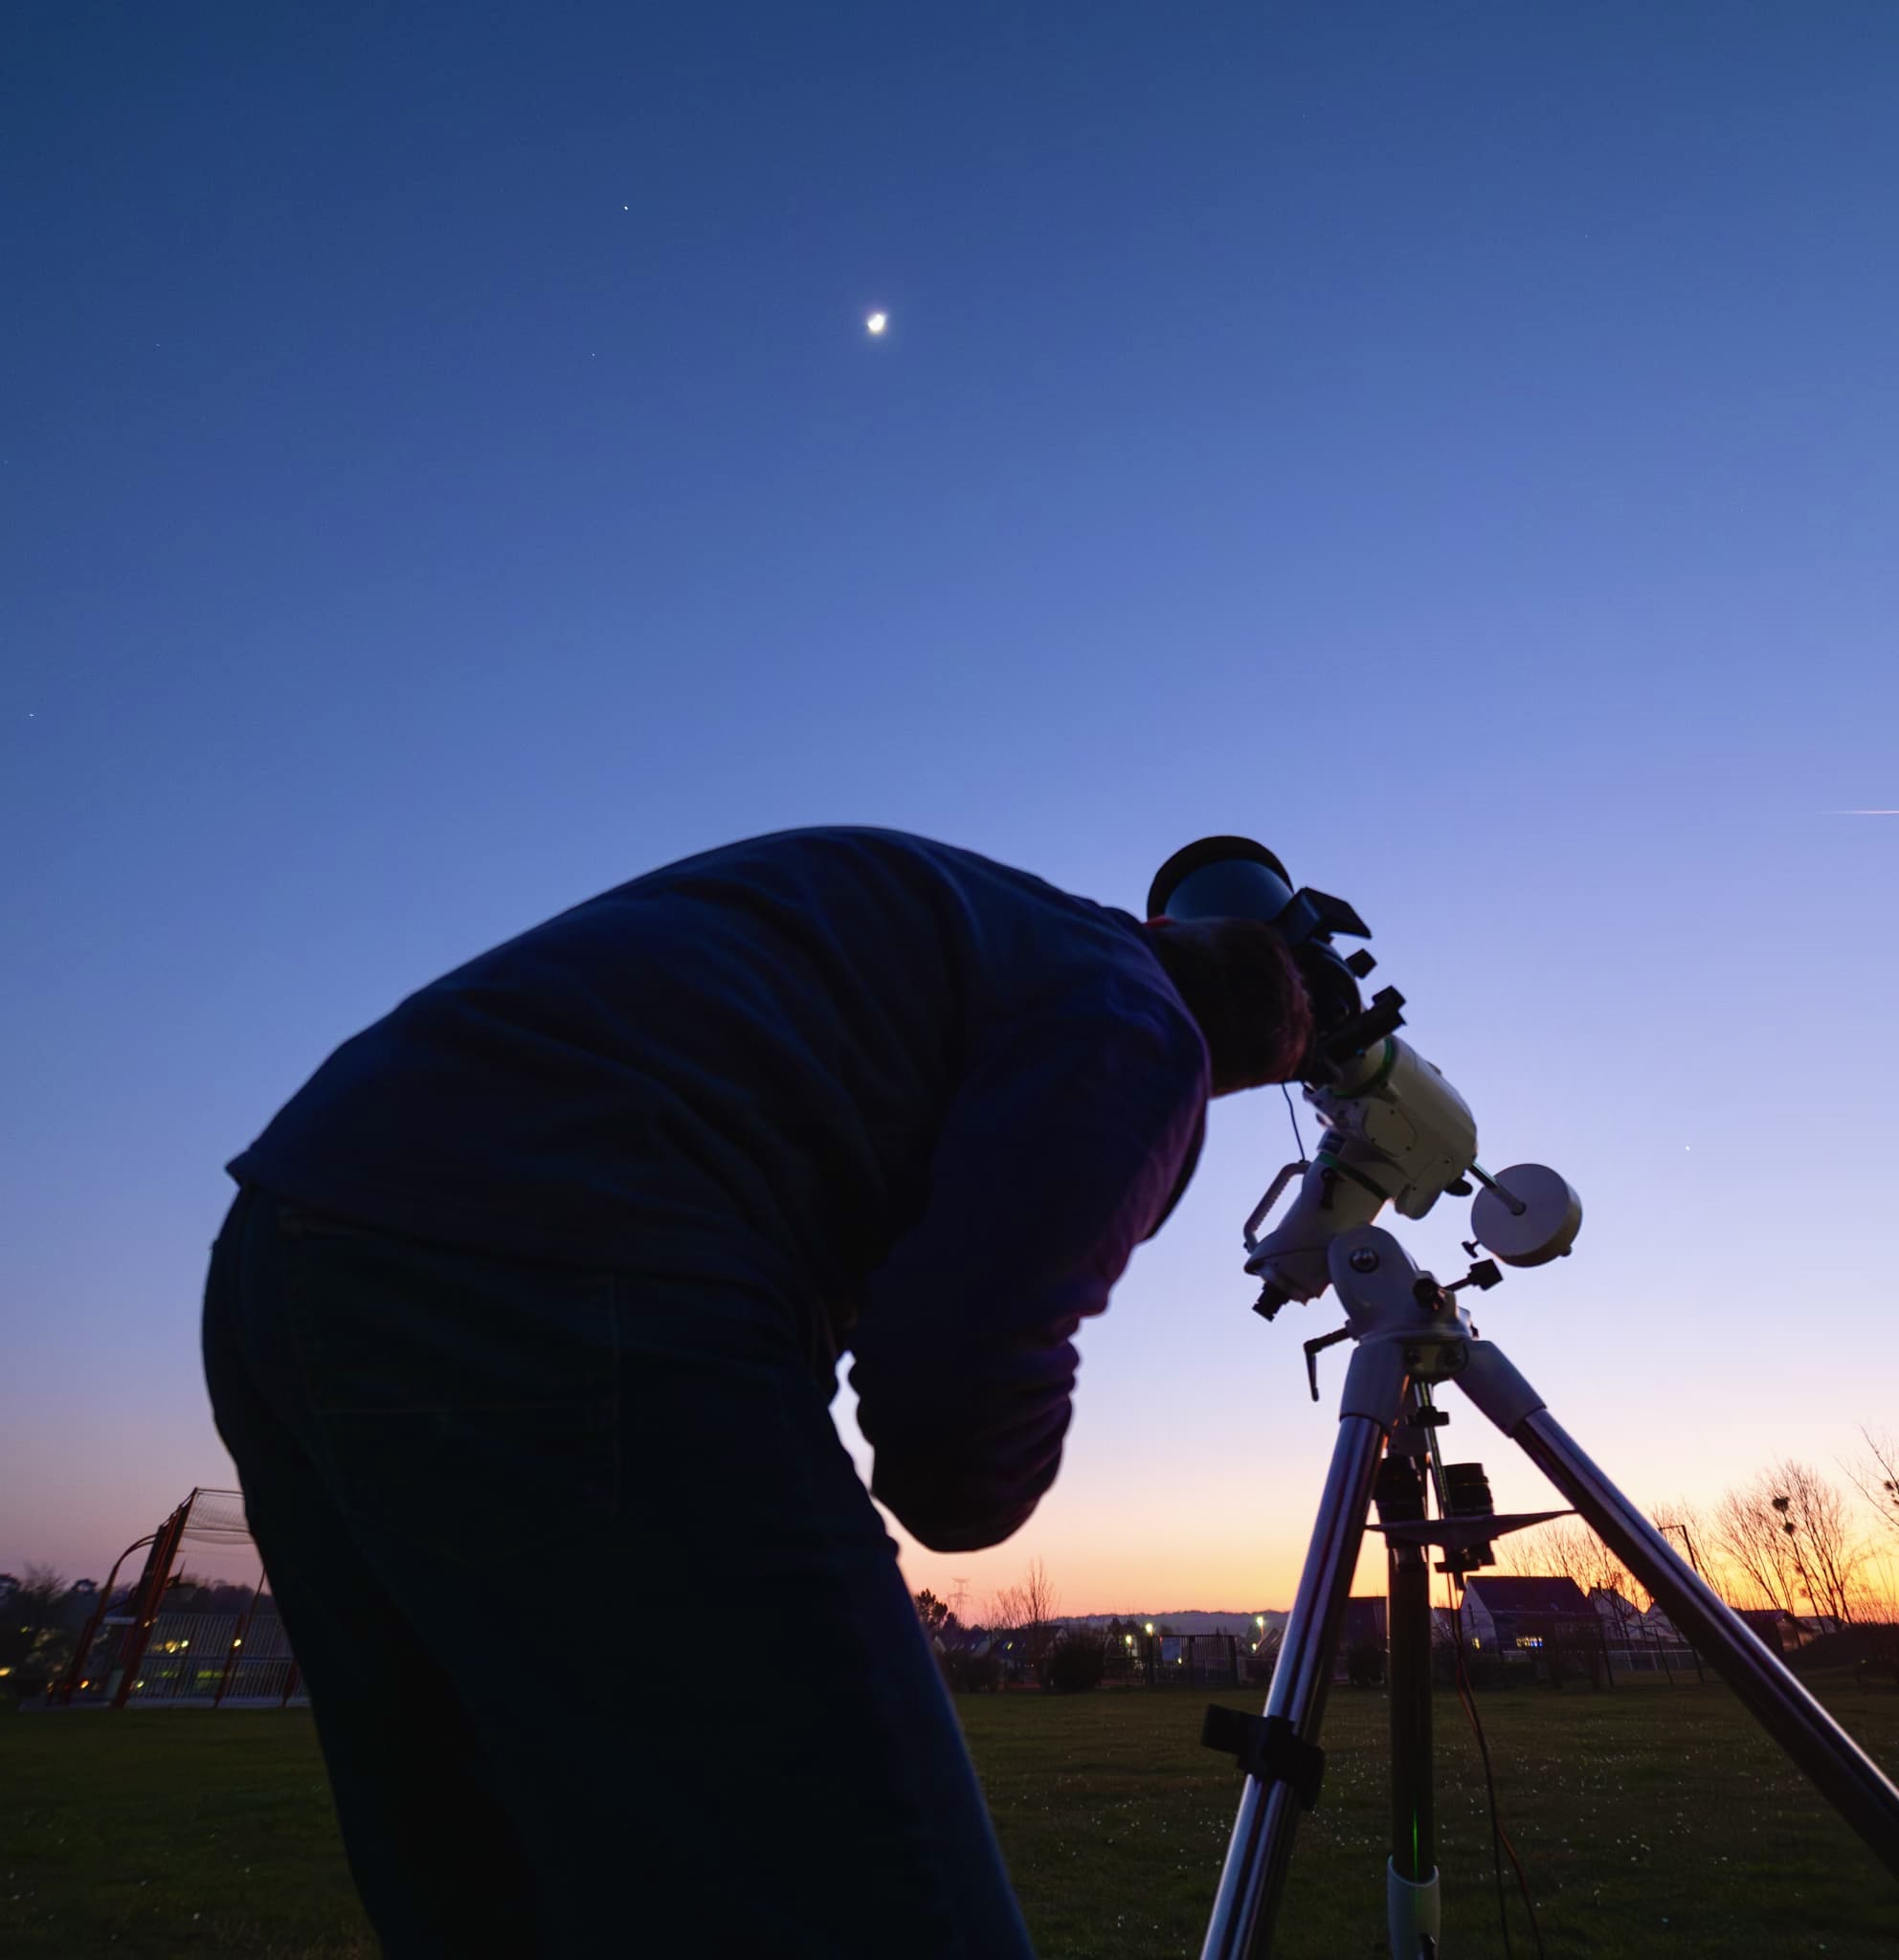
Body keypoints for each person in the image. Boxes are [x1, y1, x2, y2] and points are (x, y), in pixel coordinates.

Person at [203, 826, 1316, 1957]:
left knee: (484, 1884)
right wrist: (997, 1473)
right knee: (893, 1903)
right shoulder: (1138, 1017)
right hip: (566, 1264)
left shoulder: (988, 925)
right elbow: (954, 1405)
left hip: (287, 1241)